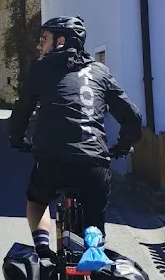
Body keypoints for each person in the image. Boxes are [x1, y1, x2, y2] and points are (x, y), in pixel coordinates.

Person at [8, 16, 142, 255]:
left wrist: (17, 139)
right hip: (94, 163)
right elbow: (132, 117)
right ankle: (93, 248)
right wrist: (121, 146)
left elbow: (22, 111)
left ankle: (42, 249)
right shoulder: (100, 72)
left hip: (52, 160)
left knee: (38, 201)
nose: (40, 46)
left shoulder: (41, 68)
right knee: (94, 211)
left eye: (44, 39)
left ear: (61, 41)